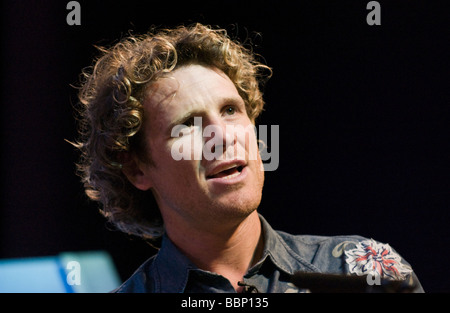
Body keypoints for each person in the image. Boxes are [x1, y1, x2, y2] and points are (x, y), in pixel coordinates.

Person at [73, 23, 424, 293]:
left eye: (230, 110)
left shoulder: (366, 272)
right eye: (188, 126)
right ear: (136, 168)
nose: (223, 136)